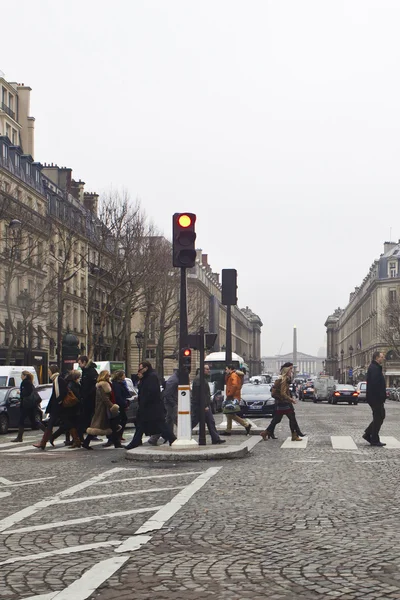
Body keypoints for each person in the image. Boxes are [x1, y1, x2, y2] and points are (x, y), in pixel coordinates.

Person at [124, 361, 176, 449]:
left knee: (160, 426)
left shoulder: (151, 377)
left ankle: (173, 439)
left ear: (146, 368)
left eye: (141, 369)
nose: (139, 371)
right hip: (149, 407)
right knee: (143, 425)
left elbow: (151, 392)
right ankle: (135, 442)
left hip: (151, 408)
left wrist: (144, 401)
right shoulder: (148, 377)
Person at [260, 362, 303, 441]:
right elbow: (283, 393)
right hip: (284, 402)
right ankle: (294, 435)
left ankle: (265, 432)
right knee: (292, 418)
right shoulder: (284, 379)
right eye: (290, 369)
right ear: (287, 370)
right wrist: (291, 399)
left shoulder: (282, 378)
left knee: (277, 419)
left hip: (281, 402)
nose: (292, 370)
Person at [82, 370, 121, 450]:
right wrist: (112, 406)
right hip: (104, 409)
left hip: (104, 408)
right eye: (107, 375)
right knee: (98, 427)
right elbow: (105, 399)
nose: (109, 377)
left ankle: (116, 443)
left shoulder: (104, 385)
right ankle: (86, 442)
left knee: (110, 426)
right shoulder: (103, 385)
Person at [33, 365, 68, 450]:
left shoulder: (59, 380)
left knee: (65, 424)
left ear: (52, 371)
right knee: (54, 424)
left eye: (49, 371)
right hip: (56, 407)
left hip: (59, 407)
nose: (48, 373)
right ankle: (45, 441)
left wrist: (59, 401)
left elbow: (63, 392)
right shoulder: (55, 380)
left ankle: (45, 441)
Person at [191, 365, 226, 444]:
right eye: (207, 369)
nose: (209, 370)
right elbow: (198, 395)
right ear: (202, 370)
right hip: (201, 406)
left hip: (204, 405)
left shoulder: (202, 379)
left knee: (210, 422)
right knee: (194, 422)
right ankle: (184, 435)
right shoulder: (198, 380)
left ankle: (215, 439)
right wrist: (204, 406)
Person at [49, 370, 82, 448]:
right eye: (78, 377)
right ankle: (77, 441)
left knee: (67, 425)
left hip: (70, 407)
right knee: (69, 424)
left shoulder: (71, 383)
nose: (79, 379)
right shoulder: (72, 384)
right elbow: (74, 396)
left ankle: (76, 440)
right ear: (75, 377)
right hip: (70, 407)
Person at [11, 371, 46, 442]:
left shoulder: (25, 383)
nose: (21, 376)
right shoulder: (30, 382)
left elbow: (26, 393)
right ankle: (47, 432)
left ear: (24, 376)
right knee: (34, 421)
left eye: (21, 375)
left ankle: (19, 437)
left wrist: (20, 392)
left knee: (21, 421)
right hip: (31, 405)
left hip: (26, 405)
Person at [148, 368, 179, 446]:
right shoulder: (174, 380)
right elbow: (168, 394)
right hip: (170, 404)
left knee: (168, 422)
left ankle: (166, 438)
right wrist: (174, 404)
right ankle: (157, 438)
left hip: (170, 403)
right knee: (170, 421)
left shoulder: (175, 378)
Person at [363, 351, 387, 447]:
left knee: (380, 416)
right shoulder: (375, 369)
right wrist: (381, 396)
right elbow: (376, 385)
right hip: (376, 398)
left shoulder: (375, 368)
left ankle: (368, 434)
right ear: (377, 358)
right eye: (381, 357)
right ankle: (373, 438)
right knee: (379, 417)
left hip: (375, 398)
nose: (383, 358)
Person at [102, 370, 131, 447]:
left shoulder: (118, 384)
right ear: (120, 376)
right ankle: (115, 440)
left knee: (116, 423)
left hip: (117, 405)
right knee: (117, 423)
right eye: (123, 375)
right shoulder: (117, 385)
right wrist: (124, 404)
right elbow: (118, 397)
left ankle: (115, 440)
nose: (125, 376)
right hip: (118, 406)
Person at [220, 364, 251, 436]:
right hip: (234, 396)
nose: (225, 370)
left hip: (233, 397)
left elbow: (234, 385)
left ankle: (246, 424)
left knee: (230, 414)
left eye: (226, 369)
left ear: (230, 369)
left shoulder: (233, 375)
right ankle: (228, 430)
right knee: (229, 414)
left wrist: (229, 394)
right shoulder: (232, 375)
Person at [78, 355, 98, 440]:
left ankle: (91, 435)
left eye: (79, 363)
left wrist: (86, 395)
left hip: (90, 399)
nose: (79, 365)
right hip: (87, 399)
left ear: (84, 362)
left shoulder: (90, 372)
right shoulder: (86, 371)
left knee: (90, 417)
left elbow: (92, 386)